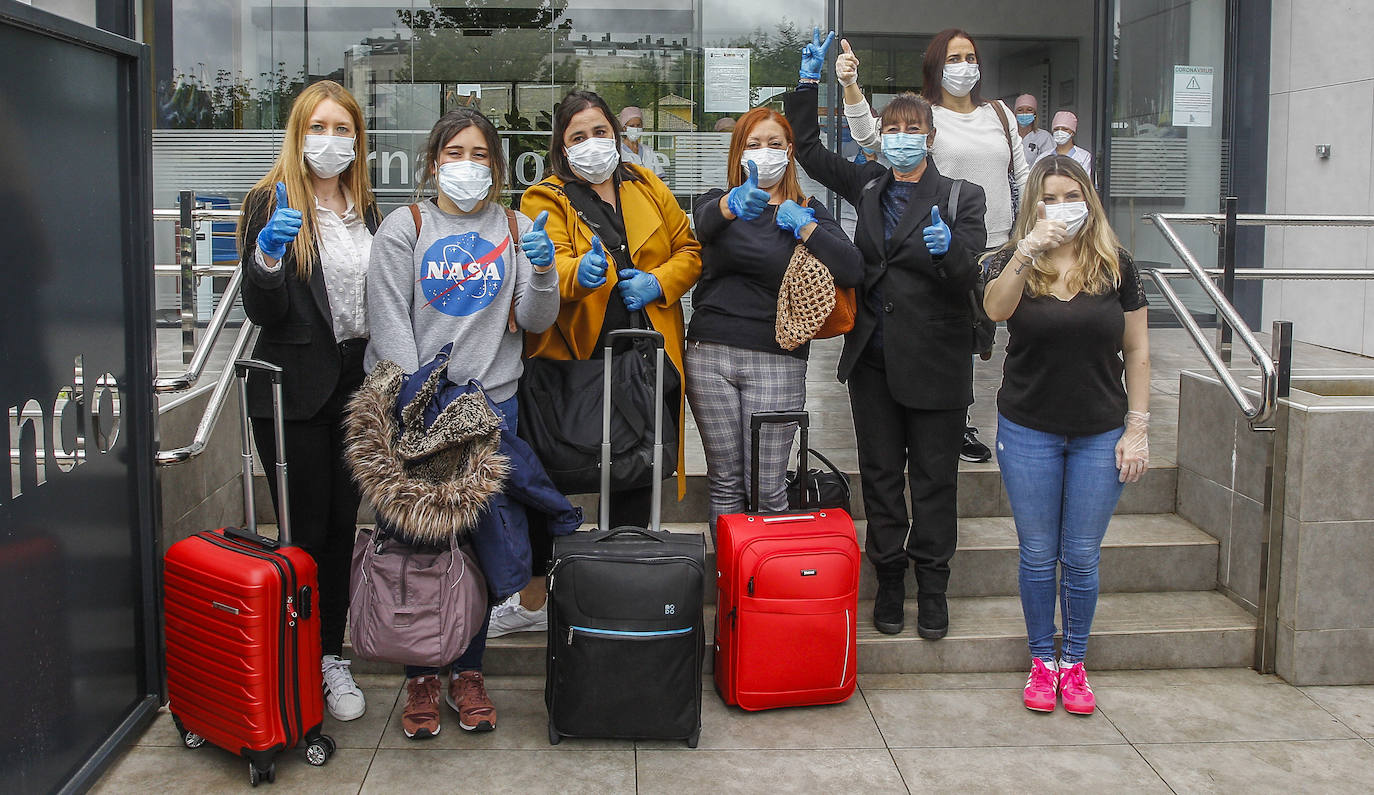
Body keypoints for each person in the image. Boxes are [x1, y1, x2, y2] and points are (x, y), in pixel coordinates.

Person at [785, 28, 988, 641]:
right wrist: (806, 84)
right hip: (872, 360)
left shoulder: (962, 196)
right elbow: (812, 152)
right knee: (878, 476)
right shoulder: (869, 184)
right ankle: (890, 580)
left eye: (911, 131)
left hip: (937, 362)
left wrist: (950, 249)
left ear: (929, 137)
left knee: (933, 478)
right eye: (892, 130)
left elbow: (970, 272)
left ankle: (933, 585)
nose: (901, 140)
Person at [364, 108, 560, 738]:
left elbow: (534, 319)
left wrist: (545, 266)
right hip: (418, 413)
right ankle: (421, 674)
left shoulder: (515, 225)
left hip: (493, 411)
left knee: (478, 547)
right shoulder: (406, 226)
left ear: (497, 168)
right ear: (433, 162)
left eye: (481, 155)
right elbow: (388, 320)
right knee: (417, 550)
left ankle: (469, 670)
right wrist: (424, 399)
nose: (468, 166)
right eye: (456, 153)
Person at [982, 155, 1149, 715]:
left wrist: (1139, 428)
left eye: (1071, 196)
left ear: (1089, 199)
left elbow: (1138, 351)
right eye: (1049, 198)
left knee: (1079, 554)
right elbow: (995, 310)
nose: (1061, 208)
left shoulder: (1117, 264)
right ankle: (1041, 660)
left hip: (1101, 429)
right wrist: (1026, 250)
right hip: (1029, 426)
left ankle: (1073, 661)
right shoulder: (1014, 260)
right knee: (1036, 553)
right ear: (1034, 204)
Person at [237, 79, 380, 724]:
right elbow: (260, 309)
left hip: (357, 384)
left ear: (357, 138)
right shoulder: (271, 201)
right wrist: (266, 258)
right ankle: (294, 657)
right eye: (317, 128)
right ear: (298, 135)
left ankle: (331, 657)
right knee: (304, 529)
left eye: (342, 129)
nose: (330, 140)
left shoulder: (366, 205)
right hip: (293, 391)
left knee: (344, 528)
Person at [839, 29, 1028, 464]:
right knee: (950, 335)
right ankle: (955, 426)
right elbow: (871, 136)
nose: (964, 66)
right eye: (954, 58)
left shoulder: (999, 114)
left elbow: (1023, 175)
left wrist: (1027, 239)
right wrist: (850, 86)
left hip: (998, 245)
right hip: (939, 238)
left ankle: (979, 421)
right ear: (936, 65)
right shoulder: (926, 117)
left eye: (970, 56)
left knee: (988, 338)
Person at [521, 90, 702, 525]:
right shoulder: (544, 197)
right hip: (580, 363)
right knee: (567, 468)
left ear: (615, 133)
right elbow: (547, 260)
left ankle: (626, 572)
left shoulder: (645, 183)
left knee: (636, 475)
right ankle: (556, 576)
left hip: (645, 356)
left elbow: (689, 251)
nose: (592, 143)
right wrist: (575, 273)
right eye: (578, 136)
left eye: (600, 131)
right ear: (562, 147)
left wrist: (658, 282)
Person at [688, 106, 863, 527]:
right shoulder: (717, 202)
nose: (764, 152)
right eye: (753, 144)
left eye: (774, 144)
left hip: (777, 357)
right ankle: (733, 587)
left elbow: (854, 268)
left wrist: (805, 227)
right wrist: (733, 204)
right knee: (725, 482)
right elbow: (702, 224)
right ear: (738, 153)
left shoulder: (809, 207)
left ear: (789, 151)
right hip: (709, 354)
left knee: (767, 487)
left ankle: (766, 587)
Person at [1040, 110, 1094, 176]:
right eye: (1056, 129)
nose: (1060, 132)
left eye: (1065, 129)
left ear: (1072, 132)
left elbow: (1087, 183)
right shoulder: (1043, 157)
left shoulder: (1084, 157)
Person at [618, 105, 665, 177]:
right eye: (632, 126)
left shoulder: (648, 151)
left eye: (638, 125)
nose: (636, 128)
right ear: (624, 128)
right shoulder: (618, 151)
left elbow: (659, 176)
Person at [1014, 94, 1054, 165]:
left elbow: (1050, 163)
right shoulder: (1008, 136)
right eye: (1020, 110)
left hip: (1035, 175)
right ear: (1015, 114)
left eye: (1029, 110)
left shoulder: (1044, 137)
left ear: (1035, 114)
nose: (1024, 113)